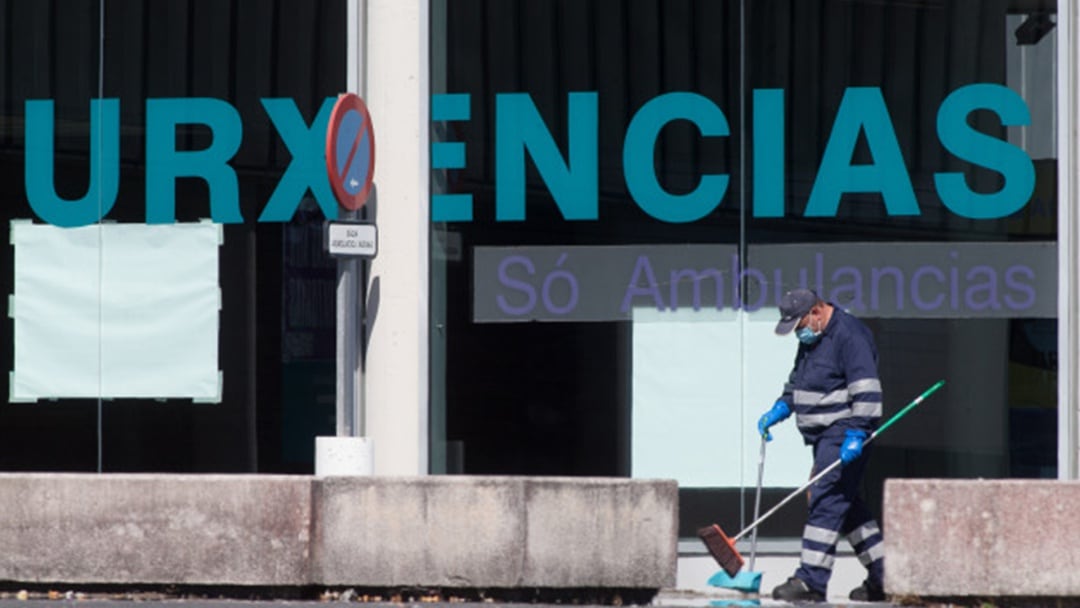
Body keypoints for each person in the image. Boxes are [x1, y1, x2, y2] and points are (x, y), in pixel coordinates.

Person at [757, 288, 886, 603]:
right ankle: (887, 576)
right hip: (824, 436)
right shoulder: (812, 338)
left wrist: (857, 432)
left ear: (816, 312)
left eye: (799, 325)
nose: (797, 334)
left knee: (825, 500)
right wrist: (781, 408)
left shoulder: (850, 336)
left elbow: (866, 388)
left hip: (843, 432)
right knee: (847, 506)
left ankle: (811, 581)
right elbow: (800, 383)